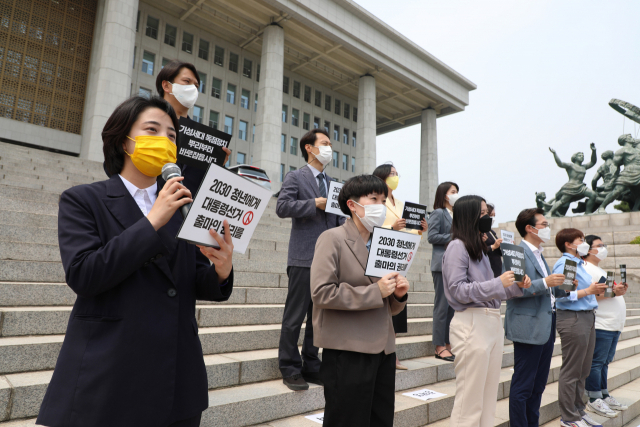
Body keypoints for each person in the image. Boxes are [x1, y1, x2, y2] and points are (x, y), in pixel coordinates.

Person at [36, 96, 234, 427]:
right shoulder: (84, 200)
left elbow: (195, 280)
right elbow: (85, 274)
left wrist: (221, 269)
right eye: (152, 130)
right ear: (124, 141)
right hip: (111, 375)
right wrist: (151, 222)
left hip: (176, 378)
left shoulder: (183, 207)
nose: (164, 141)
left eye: (172, 136)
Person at [310, 174, 409, 427]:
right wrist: (376, 292)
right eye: (373, 198)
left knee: (380, 419)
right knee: (347, 420)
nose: (380, 205)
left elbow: (388, 303)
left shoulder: (383, 243)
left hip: (384, 350)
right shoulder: (332, 238)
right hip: (348, 350)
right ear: (352, 205)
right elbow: (322, 292)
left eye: (383, 200)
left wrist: (398, 295)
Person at [442, 195, 530, 427]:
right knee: (470, 401)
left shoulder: (479, 249)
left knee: (488, 398)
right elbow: (458, 290)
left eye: (488, 213)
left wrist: (516, 286)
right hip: (472, 323)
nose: (488, 217)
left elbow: (492, 289)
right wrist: (499, 282)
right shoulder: (457, 247)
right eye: (483, 213)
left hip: (491, 323)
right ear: (469, 216)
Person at [276, 128, 345, 391]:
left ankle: (312, 364)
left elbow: (339, 220)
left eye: (330, 144)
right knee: (294, 317)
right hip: (303, 256)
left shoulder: (334, 182)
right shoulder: (296, 177)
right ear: (310, 148)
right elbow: (282, 207)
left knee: (319, 316)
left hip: (328, 261)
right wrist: (313, 203)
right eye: (324, 143)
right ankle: (289, 366)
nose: (329, 148)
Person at [505, 208, 568, 427]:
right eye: (544, 224)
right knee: (523, 385)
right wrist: (546, 283)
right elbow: (517, 288)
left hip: (546, 325)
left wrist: (563, 288)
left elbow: (547, 290)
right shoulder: (516, 252)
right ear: (529, 228)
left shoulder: (540, 254)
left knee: (539, 384)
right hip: (528, 327)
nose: (547, 228)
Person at [373, 162, 427, 370]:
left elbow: (410, 232)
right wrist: (391, 227)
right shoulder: (374, 201)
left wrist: (421, 230)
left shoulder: (403, 204)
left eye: (396, 174)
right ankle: (380, 354)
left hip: (399, 259)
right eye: (391, 174)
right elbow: (370, 226)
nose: (395, 177)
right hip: (381, 257)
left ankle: (392, 355)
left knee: (397, 310)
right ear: (381, 177)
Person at [552, 229, 608, 427]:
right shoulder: (566, 263)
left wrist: (592, 290)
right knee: (572, 370)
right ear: (569, 244)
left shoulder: (577, 264)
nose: (584, 243)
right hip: (573, 318)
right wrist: (588, 290)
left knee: (583, 369)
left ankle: (578, 411)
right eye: (581, 240)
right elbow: (562, 295)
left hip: (586, 317)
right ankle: (568, 417)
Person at [155, 59, 231, 193]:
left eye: (196, 85)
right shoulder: (142, 123)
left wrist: (219, 165)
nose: (193, 88)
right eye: (187, 81)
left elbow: (210, 189)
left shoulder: (203, 139)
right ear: (166, 86)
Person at [583, 235, 629, 418]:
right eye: (599, 245)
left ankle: (603, 393)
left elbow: (607, 292)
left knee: (604, 362)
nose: (603, 248)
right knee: (596, 362)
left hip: (612, 324)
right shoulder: (586, 269)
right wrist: (613, 292)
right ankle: (593, 398)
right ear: (587, 249)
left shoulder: (598, 268)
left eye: (604, 245)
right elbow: (587, 295)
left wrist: (618, 291)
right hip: (601, 323)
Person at [428, 181, 459, 362]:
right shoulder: (438, 213)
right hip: (441, 265)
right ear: (444, 195)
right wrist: (455, 236)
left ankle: (448, 343)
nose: (456, 194)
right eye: (453, 191)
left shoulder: (455, 215)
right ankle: (439, 346)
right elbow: (432, 236)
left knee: (451, 308)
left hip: (454, 264)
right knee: (441, 306)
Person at [484, 204, 503, 278]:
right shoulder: (481, 232)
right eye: (491, 215)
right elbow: (479, 250)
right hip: (489, 268)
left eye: (494, 215)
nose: (493, 218)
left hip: (497, 268)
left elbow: (499, 250)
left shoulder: (491, 231)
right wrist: (493, 246)